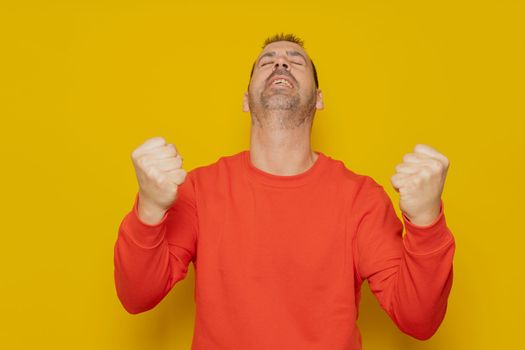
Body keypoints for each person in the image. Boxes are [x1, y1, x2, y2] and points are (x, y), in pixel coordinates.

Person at [113, 33, 455, 349]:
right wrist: (149, 208)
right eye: (267, 61)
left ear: (319, 99)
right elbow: (137, 295)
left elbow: (418, 320)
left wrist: (426, 221)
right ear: (246, 100)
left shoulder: (360, 198)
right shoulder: (199, 190)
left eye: (295, 60)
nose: (280, 63)